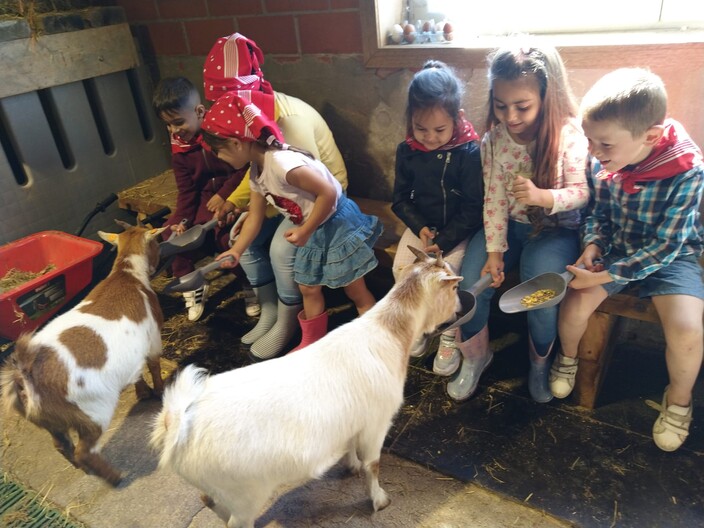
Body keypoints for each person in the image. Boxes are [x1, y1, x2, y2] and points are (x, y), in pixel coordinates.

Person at [550, 68, 704, 452]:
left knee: (687, 329)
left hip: (672, 256)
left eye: (605, 145)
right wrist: (592, 245)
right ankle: (567, 359)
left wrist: (607, 276)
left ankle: (679, 400)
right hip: (617, 247)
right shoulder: (600, 157)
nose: (595, 153)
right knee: (573, 304)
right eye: (590, 141)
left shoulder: (689, 172)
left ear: (650, 136)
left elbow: (668, 246)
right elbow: (597, 214)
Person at [450, 44, 589, 403]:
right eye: (500, 104)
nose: (510, 116)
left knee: (541, 295)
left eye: (522, 106)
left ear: (547, 95)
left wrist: (545, 197)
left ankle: (539, 365)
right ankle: (476, 357)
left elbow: (581, 193)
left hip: (554, 230)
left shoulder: (569, 135)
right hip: (505, 225)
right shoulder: (495, 140)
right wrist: (495, 251)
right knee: (470, 284)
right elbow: (494, 197)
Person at [202, 33, 352, 355]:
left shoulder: (287, 123)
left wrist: (275, 216)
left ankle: (289, 320)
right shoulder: (248, 132)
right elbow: (260, 175)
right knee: (243, 235)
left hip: (316, 198)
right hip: (283, 190)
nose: (227, 106)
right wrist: (238, 205)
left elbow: (306, 185)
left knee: (281, 251)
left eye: (232, 97)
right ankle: (270, 310)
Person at [202, 91, 382, 358]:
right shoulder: (256, 170)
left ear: (236, 143)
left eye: (218, 151)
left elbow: (329, 193)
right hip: (313, 226)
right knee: (308, 287)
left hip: (334, 221)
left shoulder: (282, 163)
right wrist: (237, 251)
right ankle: (312, 344)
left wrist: (305, 230)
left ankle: (375, 337)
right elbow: (255, 215)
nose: (219, 157)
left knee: (354, 288)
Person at [391, 60, 483, 375]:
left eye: (439, 130)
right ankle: (417, 326)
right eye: (421, 128)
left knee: (447, 277)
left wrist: (443, 240)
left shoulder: (469, 152)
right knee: (402, 270)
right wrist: (421, 229)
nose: (429, 138)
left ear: (456, 119)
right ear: (410, 120)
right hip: (423, 227)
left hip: (457, 230)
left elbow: (473, 207)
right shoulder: (407, 151)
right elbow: (400, 199)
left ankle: (447, 335)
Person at [152, 76, 245, 321]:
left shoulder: (219, 133)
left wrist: (224, 195)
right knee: (172, 238)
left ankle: (248, 284)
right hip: (204, 200)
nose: (173, 130)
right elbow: (187, 191)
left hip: (234, 194)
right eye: (168, 125)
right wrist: (180, 220)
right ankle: (192, 286)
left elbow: (243, 169)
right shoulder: (180, 150)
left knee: (227, 236)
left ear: (200, 111)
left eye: (178, 122)